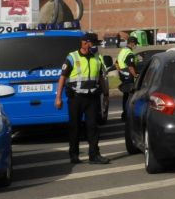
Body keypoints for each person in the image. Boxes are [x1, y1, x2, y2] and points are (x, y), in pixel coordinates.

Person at [54, 33, 111, 165]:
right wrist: (58, 98)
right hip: (76, 98)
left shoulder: (97, 57)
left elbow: (101, 77)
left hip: (92, 98)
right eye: (93, 43)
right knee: (75, 128)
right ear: (84, 43)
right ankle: (74, 155)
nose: (95, 45)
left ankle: (94, 155)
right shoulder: (72, 57)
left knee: (93, 127)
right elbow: (62, 77)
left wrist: (106, 95)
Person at [116, 36, 138, 119]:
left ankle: (124, 114)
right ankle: (127, 114)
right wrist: (135, 75)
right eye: (135, 43)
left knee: (125, 96)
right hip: (129, 77)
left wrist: (121, 72)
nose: (135, 45)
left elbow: (116, 63)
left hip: (123, 76)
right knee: (130, 97)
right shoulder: (129, 53)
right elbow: (131, 67)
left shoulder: (122, 51)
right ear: (132, 43)